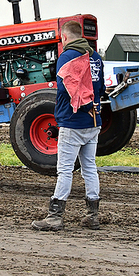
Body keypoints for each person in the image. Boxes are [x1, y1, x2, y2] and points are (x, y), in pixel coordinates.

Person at [32, 21, 105, 231]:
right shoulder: (96, 58)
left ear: (64, 37)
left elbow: (65, 89)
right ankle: (92, 216)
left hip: (72, 121)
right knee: (89, 168)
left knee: (64, 170)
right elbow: (100, 88)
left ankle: (55, 217)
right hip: (94, 120)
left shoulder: (67, 56)